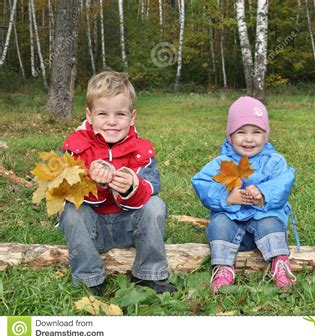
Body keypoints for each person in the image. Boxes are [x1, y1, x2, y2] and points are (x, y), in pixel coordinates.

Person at [60, 70, 175, 295]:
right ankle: (89, 278)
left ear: (132, 117)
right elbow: (64, 190)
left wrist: (133, 185)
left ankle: (149, 273)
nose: (111, 122)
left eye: (120, 114)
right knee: (71, 211)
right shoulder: (75, 147)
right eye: (102, 114)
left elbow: (152, 185)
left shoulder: (142, 149)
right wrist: (95, 184)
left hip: (130, 226)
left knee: (156, 205)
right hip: (94, 227)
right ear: (89, 115)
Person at [192, 96, 297, 292]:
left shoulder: (274, 161)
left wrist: (263, 193)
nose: (249, 139)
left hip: (262, 217)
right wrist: (226, 198)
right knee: (219, 225)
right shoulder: (222, 163)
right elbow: (201, 182)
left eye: (257, 132)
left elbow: (284, 181)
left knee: (272, 223)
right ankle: (223, 266)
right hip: (232, 220)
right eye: (241, 132)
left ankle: (279, 261)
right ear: (230, 135)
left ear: (266, 135)